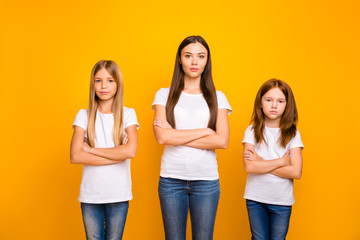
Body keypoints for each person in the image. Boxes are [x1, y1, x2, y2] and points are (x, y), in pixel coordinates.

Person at [152, 35, 232, 240]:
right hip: (171, 180)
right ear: (180, 59)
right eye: (188, 56)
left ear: (207, 61)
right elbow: (162, 137)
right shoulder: (164, 94)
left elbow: (222, 141)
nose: (194, 62)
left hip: (206, 181)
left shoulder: (217, 97)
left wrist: (175, 135)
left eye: (200, 56)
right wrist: (205, 131)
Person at [70, 60, 139, 240]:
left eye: (110, 80)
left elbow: (130, 152)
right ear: (93, 84)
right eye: (98, 80)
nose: (103, 86)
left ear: (118, 84)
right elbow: (76, 156)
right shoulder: (83, 115)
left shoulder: (128, 114)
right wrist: (118, 153)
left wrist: (91, 150)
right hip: (90, 196)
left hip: (119, 194)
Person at [242, 79, 303, 240]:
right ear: (260, 103)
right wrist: (282, 161)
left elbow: (296, 172)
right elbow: (250, 167)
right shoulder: (252, 130)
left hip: (282, 200)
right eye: (268, 100)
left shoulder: (293, 134)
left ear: (287, 105)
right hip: (256, 198)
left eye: (280, 101)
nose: (274, 105)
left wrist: (260, 161)